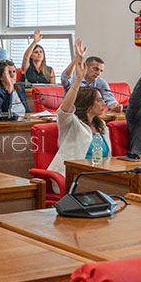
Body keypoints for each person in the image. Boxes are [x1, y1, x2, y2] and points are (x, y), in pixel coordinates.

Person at [47, 41, 111, 179]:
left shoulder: (102, 126)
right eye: (99, 100)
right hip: (71, 176)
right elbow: (66, 108)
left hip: (98, 175)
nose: (103, 103)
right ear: (88, 104)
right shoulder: (71, 123)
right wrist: (78, 78)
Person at [60, 45, 121, 112]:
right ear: (85, 66)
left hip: (92, 114)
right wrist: (76, 58)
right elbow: (64, 78)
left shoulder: (101, 83)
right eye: (95, 69)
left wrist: (115, 106)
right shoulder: (75, 79)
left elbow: (109, 99)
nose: (98, 73)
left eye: (101, 71)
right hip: (72, 113)